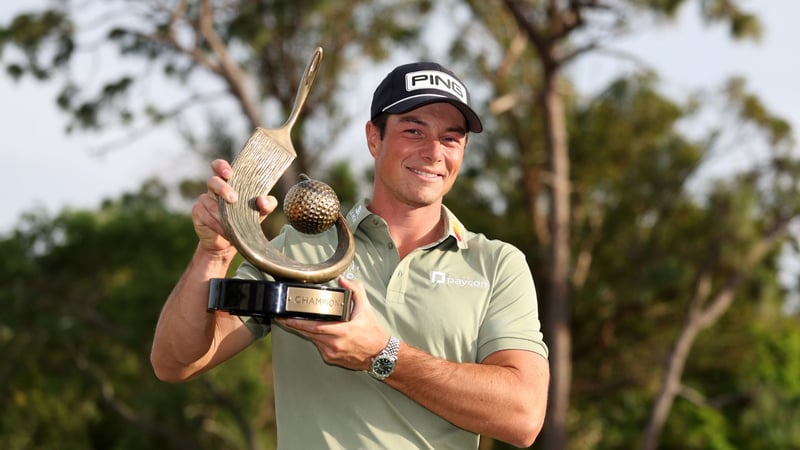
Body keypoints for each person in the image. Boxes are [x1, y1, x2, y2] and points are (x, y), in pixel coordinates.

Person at [151, 61, 549, 449]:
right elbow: (174, 362)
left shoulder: (497, 264)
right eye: (414, 130)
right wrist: (214, 252)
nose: (433, 152)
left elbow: (523, 416)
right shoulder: (297, 247)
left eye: (451, 138)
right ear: (374, 138)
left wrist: (382, 354)